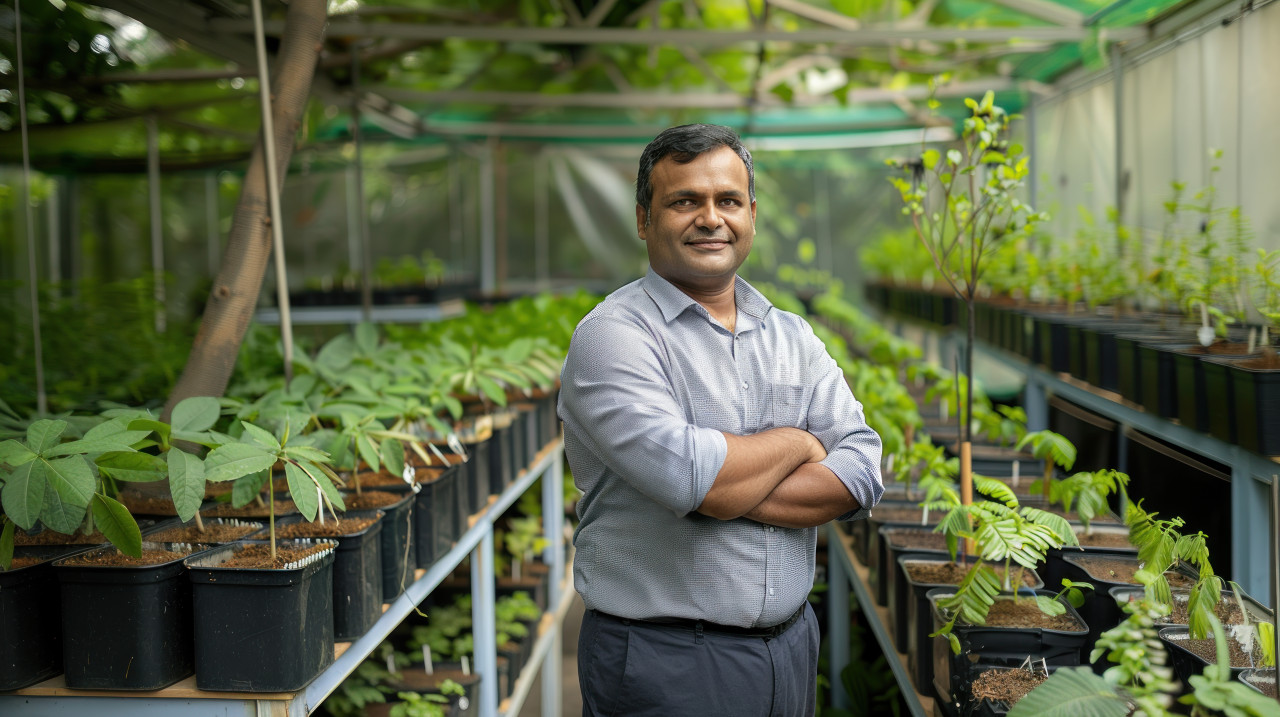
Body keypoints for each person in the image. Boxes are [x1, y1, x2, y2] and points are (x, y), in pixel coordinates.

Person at [558, 123, 884, 717]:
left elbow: (861, 470)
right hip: (665, 663)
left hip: (790, 648)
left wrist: (726, 481)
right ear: (643, 218)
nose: (711, 218)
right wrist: (800, 442)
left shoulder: (792, 335)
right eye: (685, 201)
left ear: (751, 215)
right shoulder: (612, 337)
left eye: (727, 201)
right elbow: (696, 480)